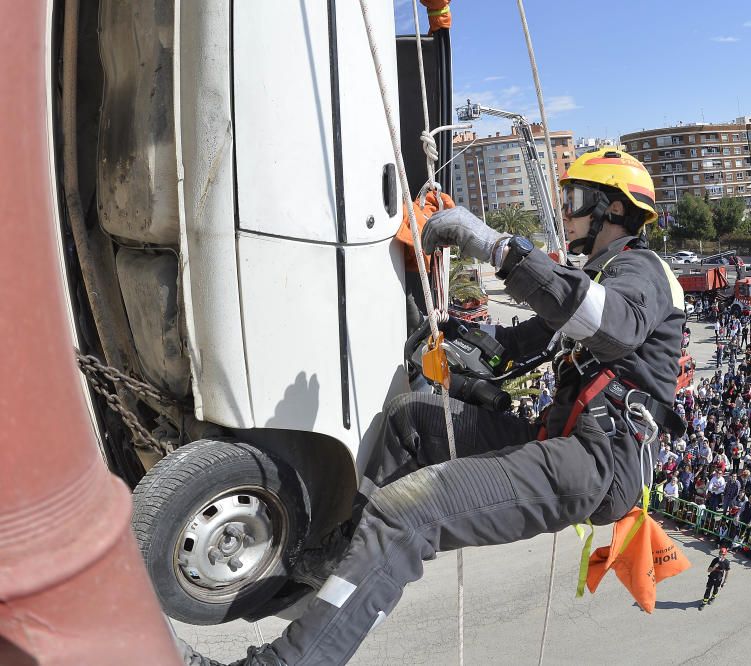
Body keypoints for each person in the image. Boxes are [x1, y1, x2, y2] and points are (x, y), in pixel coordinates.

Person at [181, 149, 687, 665]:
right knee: (413, 422)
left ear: (614, 209)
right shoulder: (598, 278)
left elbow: (615, 326)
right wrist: (456, 336)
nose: (567, 211)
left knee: (409, 515)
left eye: (577, 199)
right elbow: (514, 348)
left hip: (599, 462)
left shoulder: (642, 269)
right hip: (563, 441)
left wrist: (498, 249)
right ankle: (332, 561)